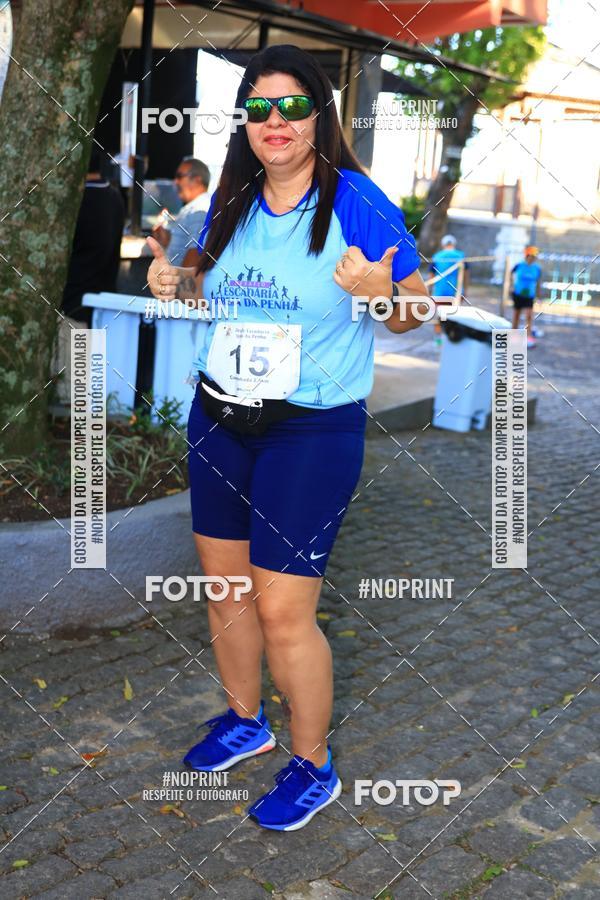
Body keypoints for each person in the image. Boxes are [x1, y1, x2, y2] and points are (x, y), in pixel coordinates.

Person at [146, 44, 429, 832]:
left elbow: (414, 311)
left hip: (308, 432)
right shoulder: (228, 198)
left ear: (318, 116)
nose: (276, 122)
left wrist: (381, 293)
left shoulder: (357, 200)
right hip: (220, 417)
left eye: (292, 107)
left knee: (283, 613)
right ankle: (245, 720)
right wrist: (168, 277)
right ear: (246, 121)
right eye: (260, 108)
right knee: (226, 589)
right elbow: (188, 268)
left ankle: (313, 763)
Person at [61, 145, 125, 326]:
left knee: (77, 354)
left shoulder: (77, 202)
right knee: (95, 353)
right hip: (105, 303)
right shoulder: (115, 197)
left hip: (74, 305)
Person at [151, 156, 210, 268]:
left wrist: (180, 284)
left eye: (179, 176)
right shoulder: (193, 208)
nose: (175, 181)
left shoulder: (199, 210)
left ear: (197, 180)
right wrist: (167, 239)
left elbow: (195, 257)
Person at [429, 234, 468, 346]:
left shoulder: (437, 256)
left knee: (438, 316)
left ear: (443, 245)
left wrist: (429, 290)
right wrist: (465, 290)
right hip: (455, 291)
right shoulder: (461, 256)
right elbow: (465, 274)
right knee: (453, 316)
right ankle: (449, 339)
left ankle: (438, 340)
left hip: (440, 291)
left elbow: (432, 275)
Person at [511, 245, 542, 345]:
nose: (533, 259)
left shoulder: (537, 268)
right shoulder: (519, 265)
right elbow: (510, 274)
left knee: (529, 316)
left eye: (534, 257)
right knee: (516, 315)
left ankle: (528, 336)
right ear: (527, 256)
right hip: (518, 294)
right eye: (531, 256)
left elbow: (538, 282)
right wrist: (511, 285)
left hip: (530, 296)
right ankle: (513, 335)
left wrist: (538, 296)